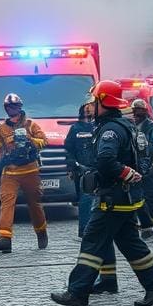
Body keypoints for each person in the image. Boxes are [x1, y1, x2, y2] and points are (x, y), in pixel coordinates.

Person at [51, 80, 153, 306]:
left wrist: (124, 173)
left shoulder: (110, 129)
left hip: (112, 199)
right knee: (132, 245)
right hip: (124, 197)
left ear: (104, 102)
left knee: (92, 241)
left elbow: (107, 160)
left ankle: (77, 292)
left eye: (94, 101)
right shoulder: (121, 124)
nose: (90, 105)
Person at [0, 93, 48, 253]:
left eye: (14, 106)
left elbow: (44, 141)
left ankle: (41, 231)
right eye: (8, 107)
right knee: (6, 202)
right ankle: (5, 239)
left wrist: (29, 139)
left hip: (30, 170)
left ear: (20, 107)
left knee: (34, 204)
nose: (11, 109)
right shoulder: (2, 128)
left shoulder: (30, 124)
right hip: (10, 171)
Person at [131, 99, 153, 239]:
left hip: (149, 168)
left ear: (144, 112)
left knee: (151, 197)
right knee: (138, 197)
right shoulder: (131, 126)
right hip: (135, 168)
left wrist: (142, 147)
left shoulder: (152, 128)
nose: (135, 115)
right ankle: (145, 225)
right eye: (134, 111)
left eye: (138, 112)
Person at [64, 99, 96, 238]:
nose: (88, 110)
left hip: (97, 168)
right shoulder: (75, 128)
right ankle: (84, 230)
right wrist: (71, 167)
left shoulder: (99, 126)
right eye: (86, 107)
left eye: (90, 107)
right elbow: (68, 149)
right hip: (81, 170)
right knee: (84, 200)